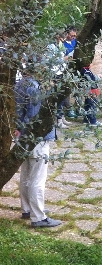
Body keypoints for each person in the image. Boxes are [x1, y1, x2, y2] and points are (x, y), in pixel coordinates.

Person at [15, 61, 63, 227]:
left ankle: (27, 208)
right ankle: (38, 217)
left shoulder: (19, 84)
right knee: (37, 178)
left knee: (26, 174)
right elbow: (36, 118)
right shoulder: (34, 88)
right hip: (37, 138)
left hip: (23, 136)